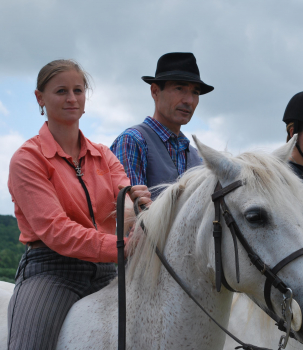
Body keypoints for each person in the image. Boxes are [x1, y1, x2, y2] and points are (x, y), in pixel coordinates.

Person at [7, 59, 152, 350]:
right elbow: (56, 231)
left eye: (78, 90)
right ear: (40, 98)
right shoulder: (27, 159)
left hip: (110, 269)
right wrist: (121, 248)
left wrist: (140, 208)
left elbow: (123, 199)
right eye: (61, 91)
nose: (72, 99)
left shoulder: (103, 156)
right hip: (52, 270)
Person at [111, 52, 213, 195]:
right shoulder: (133, 141)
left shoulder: (197, 158)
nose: (189, 100)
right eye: (179, 88)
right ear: (155, 91)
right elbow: (129, 212)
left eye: (195, 92)